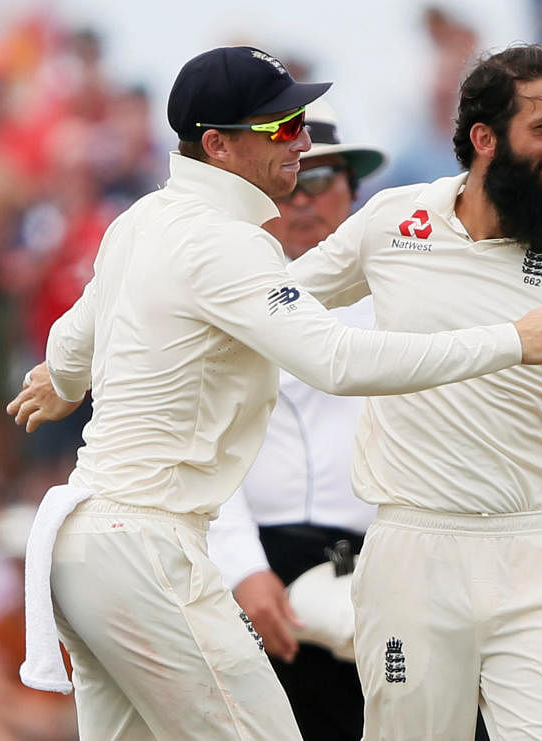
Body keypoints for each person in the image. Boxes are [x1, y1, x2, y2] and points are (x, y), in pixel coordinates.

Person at [6, 46, 542, 740]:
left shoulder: (140, 221)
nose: (302, 140)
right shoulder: (227, 244)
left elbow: (70, 340)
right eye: (282, 128)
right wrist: (514, 339)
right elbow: (334, 359)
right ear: (217, 144)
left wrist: (61, 380)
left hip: (86, 547)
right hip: (148, 552)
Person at [286, 43, 542, 739]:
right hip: (411, 550)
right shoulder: (393, 222)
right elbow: (276, 300)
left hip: (530, 549)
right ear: (484, 138)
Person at [206, 98, 383, 741]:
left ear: (351, 193)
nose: (304, 197)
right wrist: (241, 566)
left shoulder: (394, 300)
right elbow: (205, 442)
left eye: (322, 180)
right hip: (261, 558)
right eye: (292, 179)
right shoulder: (225, 291)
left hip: (374, 557)